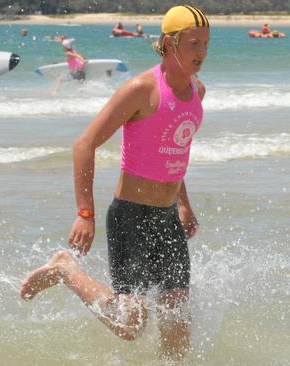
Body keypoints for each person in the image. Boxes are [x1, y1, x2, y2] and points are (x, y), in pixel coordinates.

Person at [21, 4, 210, 360]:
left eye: (205, 44)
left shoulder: (197, 92)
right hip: (132, 218)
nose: (201, 53)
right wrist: (85, 213)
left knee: (177, 326)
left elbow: (175, 150)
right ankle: (64, 268)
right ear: (169, 44)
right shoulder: (140, 89)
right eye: (193, 44)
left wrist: (183, 203)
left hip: (167, 218)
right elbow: (84, 145)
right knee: (131, 325)